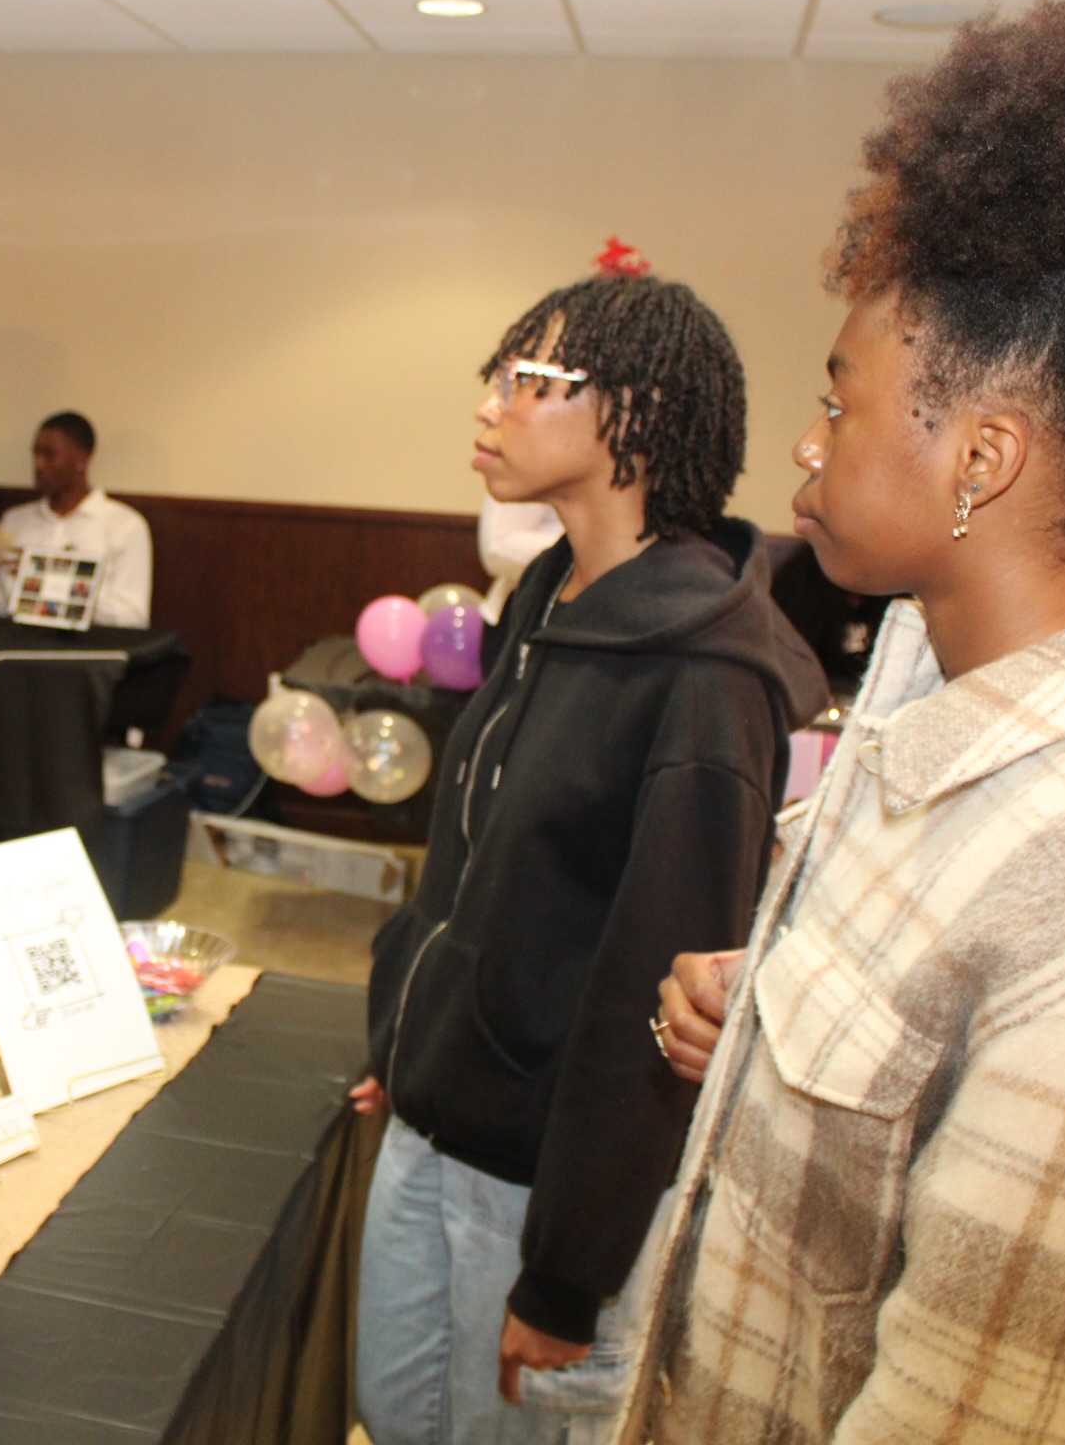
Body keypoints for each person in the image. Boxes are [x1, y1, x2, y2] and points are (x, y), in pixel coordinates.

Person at [626, 0, 1065, 1444]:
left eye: (844, 400)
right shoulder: (938, 706)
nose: (810, 447)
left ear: (980, 458)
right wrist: (765, 1021)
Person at [351, 263, 827, 1444]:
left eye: (531, 381)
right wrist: (404, 1037)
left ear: (637, 416)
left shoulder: (708, 675)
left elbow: (654, 1003)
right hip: (431, 1117)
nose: (491, 405)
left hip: (538, 1182)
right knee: (390, 1412)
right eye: (496, 379)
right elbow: (470, 867)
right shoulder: (551, 591)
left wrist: (567, 1277)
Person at [0, 411, 154, 628]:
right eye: (35, 454)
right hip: (20, 647)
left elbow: (134, 618)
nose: (38, 465)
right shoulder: (15, 521)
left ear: (82, 460)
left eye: (49, 455)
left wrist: (55, 587)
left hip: (90, 653)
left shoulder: (124, 526)